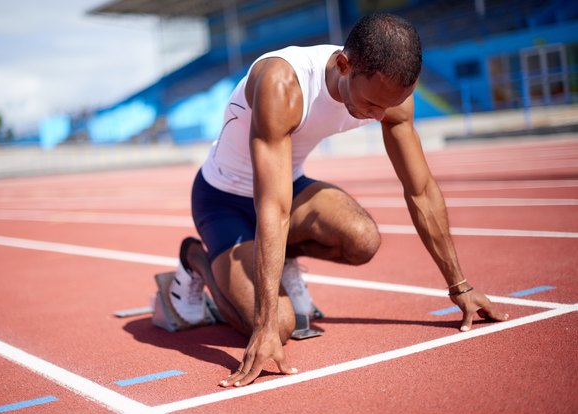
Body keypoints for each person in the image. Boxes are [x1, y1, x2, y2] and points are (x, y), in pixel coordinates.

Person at [154, 13, 509, 387]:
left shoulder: (391, 97)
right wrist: (264, 325)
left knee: (362, 238)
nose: (378, 116)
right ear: (344, 65)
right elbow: (272, 207)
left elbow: (420, 189)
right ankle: (197, 258)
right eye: (371, 104)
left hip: (288, 188)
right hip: (223, 200)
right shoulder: (283, 83)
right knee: (282, 325)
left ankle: (276, 259)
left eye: (387, 107)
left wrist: (461, 286)